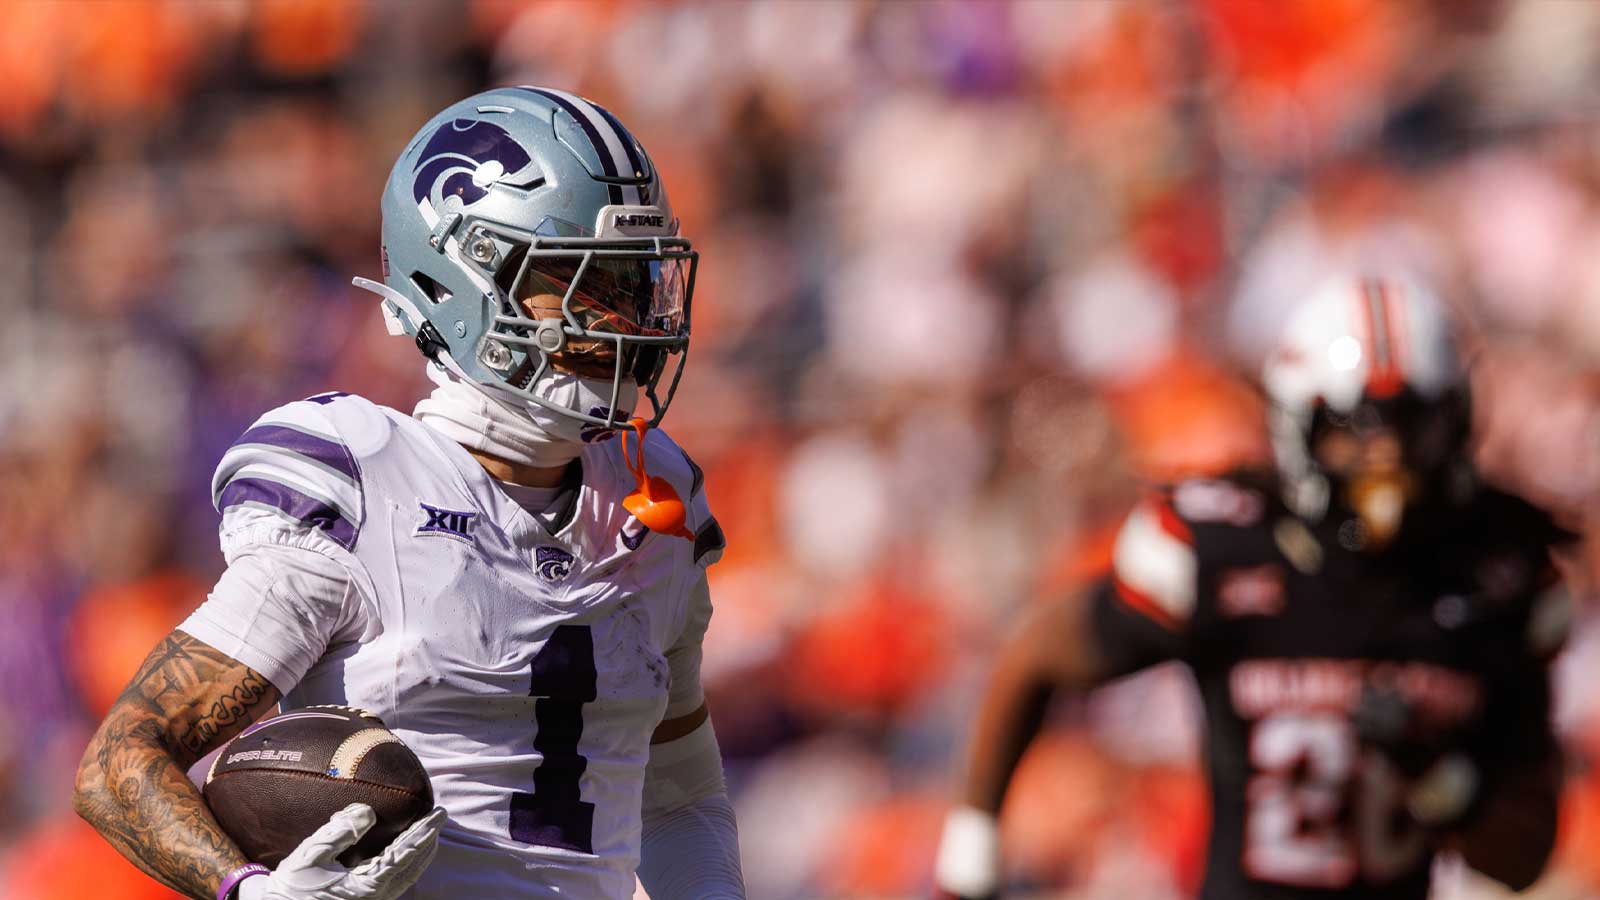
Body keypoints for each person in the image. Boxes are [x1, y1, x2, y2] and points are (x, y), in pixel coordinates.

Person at [72, 86, 745, 900]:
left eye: (634, 285)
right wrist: (250, 890)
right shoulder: (361, 487)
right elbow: (122, 759)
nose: (623, 322)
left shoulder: (652, 500)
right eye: (580, 281)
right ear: (463, 282)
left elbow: (679, 799)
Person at [933, 276, 1574, 900]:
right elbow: (1034, 658)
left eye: (1412, 431)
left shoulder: (1499, 579)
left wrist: (1435, 775)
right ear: (1300, 431)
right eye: (1357, 437)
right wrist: (970, 859)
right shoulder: (1227, 553)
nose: (1388, 464)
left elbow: (1523, 858)